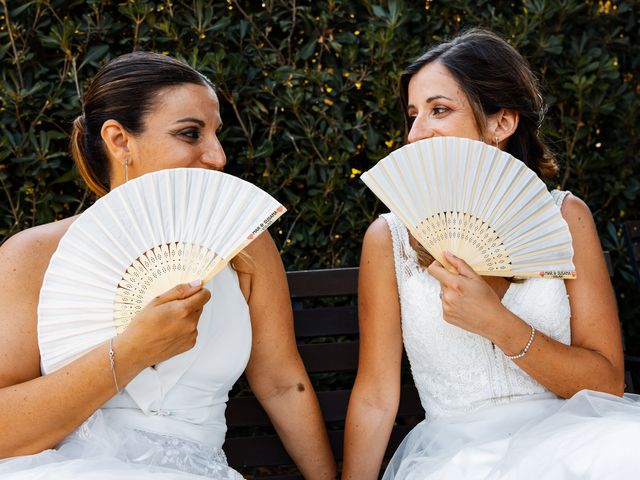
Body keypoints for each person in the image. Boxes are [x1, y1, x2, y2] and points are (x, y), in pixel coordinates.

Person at [0, 52, 336, 479]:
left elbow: (283, 385)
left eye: (216, 135)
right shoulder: (33, 255)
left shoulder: (244, 244)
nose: (217, 157)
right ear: (120, 140)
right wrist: (133, 351)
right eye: (190, 133)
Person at [342, 29, 640, 479]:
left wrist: (497, 324)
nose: (416, 133)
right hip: (455, 454)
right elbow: (376, 395)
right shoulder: (389, 239)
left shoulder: (565, 217)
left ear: (502, 122)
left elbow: (606, 383)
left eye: (439, 110)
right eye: (412, 115)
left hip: (575, 440)